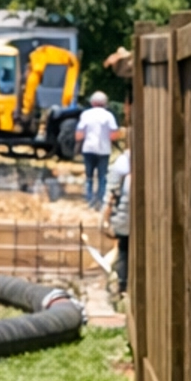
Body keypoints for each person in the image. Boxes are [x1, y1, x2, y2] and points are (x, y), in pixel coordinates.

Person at [75, 90, 119, 208]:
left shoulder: (86, 114)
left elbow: (79, 134)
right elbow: (114, 134)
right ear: (105, 103)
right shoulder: (109, 116)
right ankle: (100, 200)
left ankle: (89, 200)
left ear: (92, 102)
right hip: (104, 150)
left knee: (89, 176)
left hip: (88, 149)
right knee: (102, 176)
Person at [105, 140, 131, 298]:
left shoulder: (122, 162)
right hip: (127, 217)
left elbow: (112, 194)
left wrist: (106, 219)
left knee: (123, 252)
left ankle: (122, 286)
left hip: (123, 219)